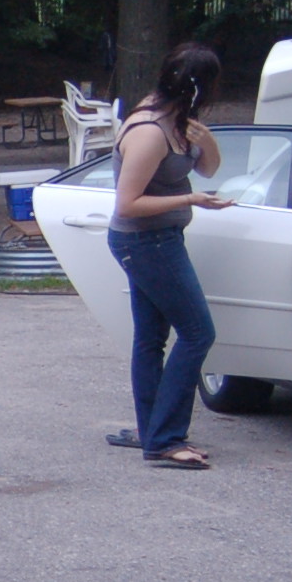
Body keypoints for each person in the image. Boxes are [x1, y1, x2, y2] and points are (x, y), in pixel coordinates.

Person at [106, 42, 230, 470]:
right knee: (198, 333)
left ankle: (152, 431)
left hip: (162, 239)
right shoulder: (150, 131)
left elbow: (209, 168)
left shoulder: (180, 120)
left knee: (151, 338)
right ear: (200, 87)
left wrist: (207, 139)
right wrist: (191, 199)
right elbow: (127, 204)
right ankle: (165, 439)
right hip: (144, 243)